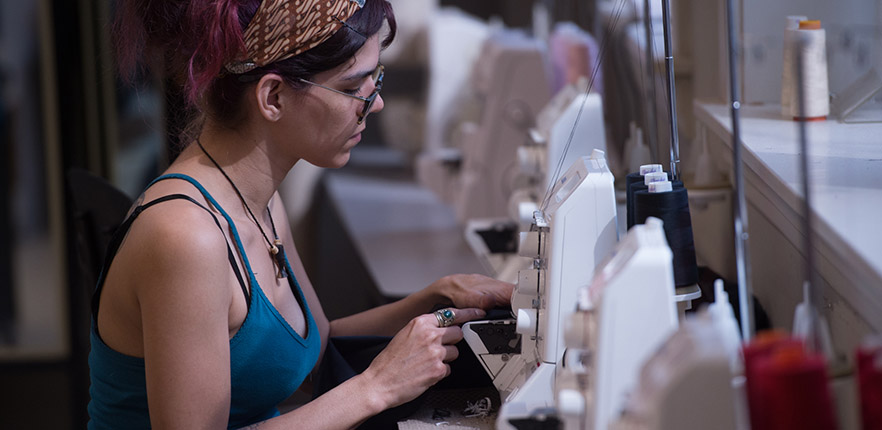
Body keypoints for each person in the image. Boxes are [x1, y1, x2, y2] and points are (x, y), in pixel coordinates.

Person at [88, 0, 514, 428]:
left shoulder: (260, 200)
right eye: (353, 89)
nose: (376, 103)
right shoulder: (186, 238)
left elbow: (314, 351)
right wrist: (376, 387)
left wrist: (434, 300)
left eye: (375, 80)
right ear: (272, 97)